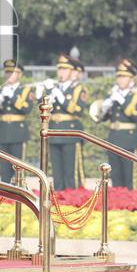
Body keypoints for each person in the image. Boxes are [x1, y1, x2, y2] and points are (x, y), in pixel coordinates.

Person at [44, 54, 88, 191]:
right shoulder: (54, 88)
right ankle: (58, 195)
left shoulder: (79, 89)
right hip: (54, 130)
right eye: (59, 69)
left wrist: (60, 97)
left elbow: (77, 110)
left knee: (71, 171)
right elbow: (44, 113)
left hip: (70, 131)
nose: (61, 72)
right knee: (57, 171)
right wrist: (45, 97)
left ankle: (73, 197)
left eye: (65, 69)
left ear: (72, 71)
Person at [99, 59, 137, 190]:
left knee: (129, 177)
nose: (120, 79)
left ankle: (131, 204)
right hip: (114, 138)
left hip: (129, 139)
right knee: (115, 176)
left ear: (132, 78)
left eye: (124, 76)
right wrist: (105, 108)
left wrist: (122, 101)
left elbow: (136, 116)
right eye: (118, 76)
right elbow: (103, 118)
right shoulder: (113, 94)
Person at [0, 59, 34, 183]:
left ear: (19, 74)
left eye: (12, 72)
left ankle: (18, 190)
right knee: (4, 167)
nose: (9, 75)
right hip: (3, 131)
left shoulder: (25, 91)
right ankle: (4, 190)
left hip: (17, 132)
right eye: (7, 72)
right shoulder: (0, 91)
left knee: (18, 165)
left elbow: (27, 109)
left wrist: (13, 96)